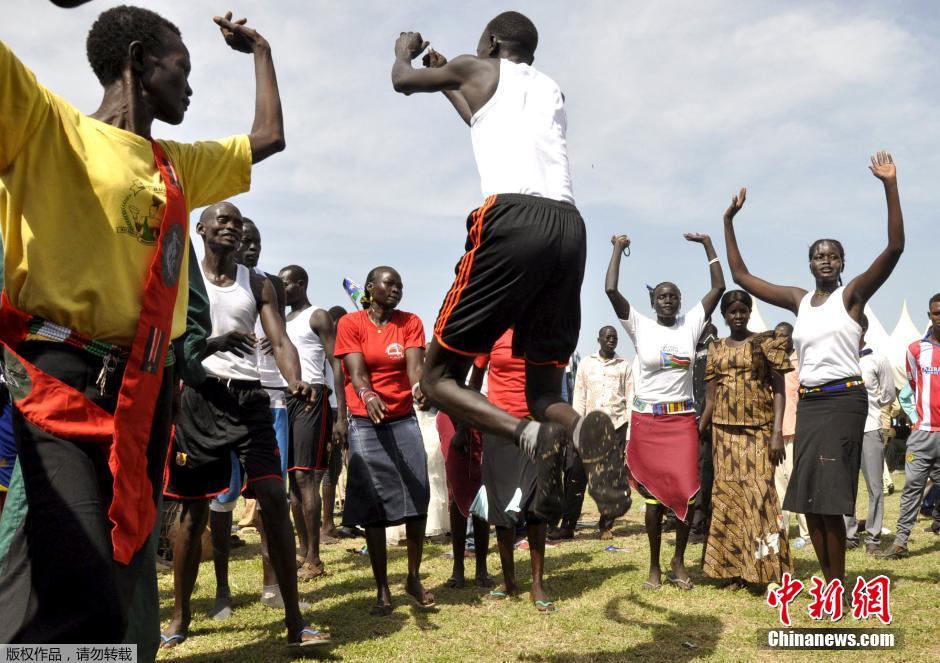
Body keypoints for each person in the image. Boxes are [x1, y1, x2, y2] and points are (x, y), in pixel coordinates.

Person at [0, 5, 284, 644]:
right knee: (82, 578)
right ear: (137, 60)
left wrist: (261, 51)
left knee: (113, 570)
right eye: (182, 67)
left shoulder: (175, 162)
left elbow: (267, 138)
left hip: (144, 392)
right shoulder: (47, 125)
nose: (191, 84)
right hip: (61, 381)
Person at [391, 12, 631, 526]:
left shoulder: (475, 66)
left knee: (435, 379)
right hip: (569, 227)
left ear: (493, 42)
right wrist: (450, 83)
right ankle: (581, 423)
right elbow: (483, 119)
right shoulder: (549, 90)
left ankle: (529, 434)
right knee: (542, 390)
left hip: (512, 219)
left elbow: (401, 82)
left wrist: (405, 51)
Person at [722, 151, 904, 588]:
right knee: (810, 501)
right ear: (810, 263)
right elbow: (741, 276)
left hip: (844, 400)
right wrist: (729, 221)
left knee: (830, 497)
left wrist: (889, 185)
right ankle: (829, 583)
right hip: (811, 404)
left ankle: (837, 588)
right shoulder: (799, 301)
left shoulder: (853, 296)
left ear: (842, 263)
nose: (825, 261)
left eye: (833, 256)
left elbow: (895, 247)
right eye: (818, 255)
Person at [161, 202, 328, 647]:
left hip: (251, 399)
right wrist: (212, 346)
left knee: (274, 497)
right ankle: (180, 617)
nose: (232, 228)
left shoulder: (259, 284)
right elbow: (173, 342)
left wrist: (296, 380)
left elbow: (279, 340)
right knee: (194, 513)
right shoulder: (182, 277)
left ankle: (295, 621)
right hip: (200, 398)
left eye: (238, 223)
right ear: (201, 228)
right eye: (224, 220)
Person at [605, 232, 725, 590]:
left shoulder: (692, 324)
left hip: (681, 421)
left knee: (688, 491)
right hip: (647, 421)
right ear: (653, 301)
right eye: (661, 296)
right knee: (654, 498)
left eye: (673, 296)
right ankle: (655, 566)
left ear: (680, 301)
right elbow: (611, 291)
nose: (668, 301)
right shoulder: (640, 326)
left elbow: (718, 287)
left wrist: (707, 244)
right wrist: (617, 249)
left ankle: (678, 561)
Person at [334, 267, 433, 615]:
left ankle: (413, 577)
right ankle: (382, 588)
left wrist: (420, 390)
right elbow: (356, 372)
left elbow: (415, 369)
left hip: (403, 418)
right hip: (365, 420)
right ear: (371, 287)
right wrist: (366, 393)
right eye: (389, 284)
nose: (396, 289)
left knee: (418, 494)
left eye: (400, 285)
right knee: (374, 504)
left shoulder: (410, 322)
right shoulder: (351, 323)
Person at [699, 290, 792, 590]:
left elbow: (779, 390)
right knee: (729, 501)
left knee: (760, 500)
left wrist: (777, 433)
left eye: (742, 310)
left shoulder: (765, 343)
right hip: (724, 435)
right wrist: (698, 430)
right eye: (731, 311)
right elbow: (710, 397)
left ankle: (768, 572)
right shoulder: (714, 349)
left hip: (759, 432)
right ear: (724, 316)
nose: (737, 316)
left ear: (750, 312)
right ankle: (735, 570)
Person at [469, 328, 554, 611]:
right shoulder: (491, 335)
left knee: (535, 507)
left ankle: (537, 583)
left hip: (533, 428)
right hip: (499, 430)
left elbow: (553, 386)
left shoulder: (544, 333)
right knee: (502, 506)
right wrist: (483, 418)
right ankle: (509, 581)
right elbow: (474, 385)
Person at [279, 265, 347, 580]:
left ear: (301, 284)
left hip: (312, 398)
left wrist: (340, 414)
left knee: (307, 479)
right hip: (285, 398)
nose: (282, 288)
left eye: (286, 283)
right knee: (293, 481)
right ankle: (303, 551)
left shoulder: (318, 316)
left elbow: (337, 365)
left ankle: (315, 559)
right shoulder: (281, 320)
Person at [551, 326, 633, 541]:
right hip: (588, 428)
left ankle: (606, 526)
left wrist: (629, 434)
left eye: (614, 338)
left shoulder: (624, 365)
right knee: (575, 476)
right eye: (607, 337)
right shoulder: (587, 363)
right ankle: (568, 526)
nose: (611, 340)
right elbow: (579, 396)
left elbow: (631, 399)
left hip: (616, 426)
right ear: (599, 340)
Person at [880, 294, 940, 559]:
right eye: (936, 312)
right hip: (923, 433)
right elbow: (914, 387)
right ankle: (901, 542)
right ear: (929, 316)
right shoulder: (915, 350)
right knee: (913, 487)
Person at [844, 315, 895, 554]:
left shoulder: (877, 358)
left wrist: (871, 407)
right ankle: (848, 535)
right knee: (846, 487)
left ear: (863, 328)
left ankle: (873, 538)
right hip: (844, 431)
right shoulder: (840, 358)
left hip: (870, 428)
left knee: (875, 487)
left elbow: (888, 394)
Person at [438, 398, 492, 588]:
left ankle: (482, 568)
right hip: (449, 414)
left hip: (477, 411)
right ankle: (458, 568)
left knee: (481, 491)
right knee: (456, 490)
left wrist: (465, 426)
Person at [772, 322, 811, 551]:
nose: (781, 340)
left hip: (798, 431)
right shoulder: (771, 364)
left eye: (784, 336)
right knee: (779, 486)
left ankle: (806, 531)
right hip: (777, 433)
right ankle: (782, 530)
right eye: (777, 336)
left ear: (792, 338)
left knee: (799, 482)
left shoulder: (800, 363)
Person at [689, 322, 719, 541]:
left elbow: (712, 395)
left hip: (709, 423)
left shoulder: (715, 352)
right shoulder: (691, 354)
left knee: (706, 472)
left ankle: (701, 523)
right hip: (693, 419)